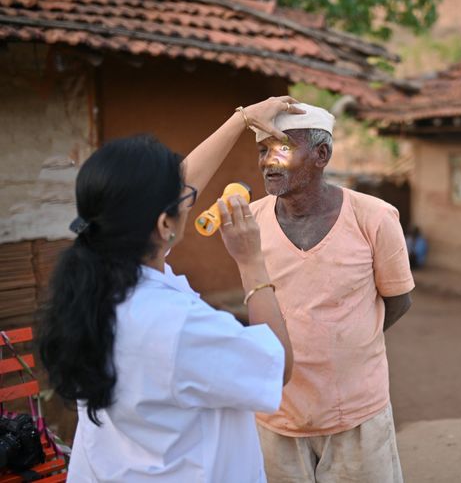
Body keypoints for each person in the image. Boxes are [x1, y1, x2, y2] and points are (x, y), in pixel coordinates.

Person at [37, 97, 303, 482]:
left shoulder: (95, 283)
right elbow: (278, 365)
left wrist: (242, 120)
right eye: (183, 198)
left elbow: (168, 189)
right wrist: (251, 262)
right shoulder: (179, 326)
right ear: (164, 224)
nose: (189, 198)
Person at [246, 103, 414, 482]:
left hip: (356, 413)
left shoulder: (375, 217)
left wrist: (344, 342)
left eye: (283, 148)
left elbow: (399, 300)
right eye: (262, 150)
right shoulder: (251, 223)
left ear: (322, 154)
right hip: (276, 413)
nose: (268, 161)